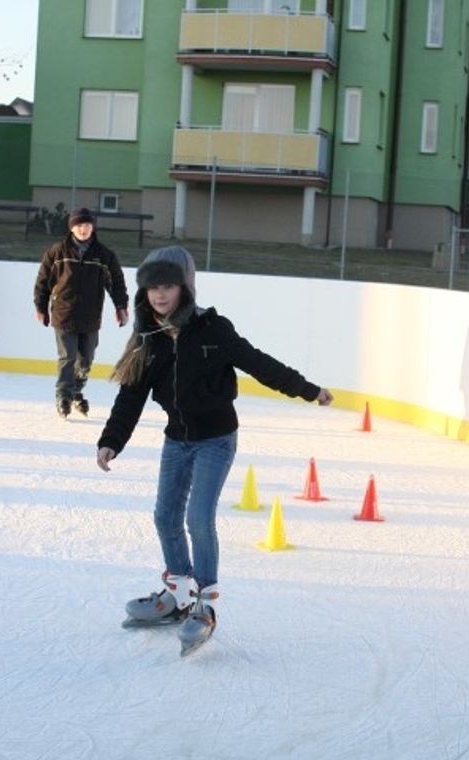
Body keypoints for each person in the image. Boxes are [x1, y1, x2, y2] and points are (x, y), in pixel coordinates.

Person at [96, 246, 334, 655]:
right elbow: (131, 395)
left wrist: (309, 390)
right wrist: (111, 440)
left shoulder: (213, 329)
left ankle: (204, 604)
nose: (159, 295)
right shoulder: (148, 337)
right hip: (177, 440)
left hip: (216, 440)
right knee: (165, 516)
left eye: (168, 285)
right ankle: (179, 592)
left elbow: (260, 364)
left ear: (185, 286)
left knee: (197, 517)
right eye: (152, 287)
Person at [32, 207, 129, 419]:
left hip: (90, 316)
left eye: (86, 225)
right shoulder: (57, 252)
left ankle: (76, 391)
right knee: (68, 357)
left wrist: (120, 306)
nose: (83, 229)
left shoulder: (103, 255)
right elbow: (43, 281)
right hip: (63, 313)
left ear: (93, 227)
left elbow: (116, 283)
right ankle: (63, 395)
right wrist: (41, 306)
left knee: (86, 359)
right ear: (72, 228)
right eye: (79, 225)